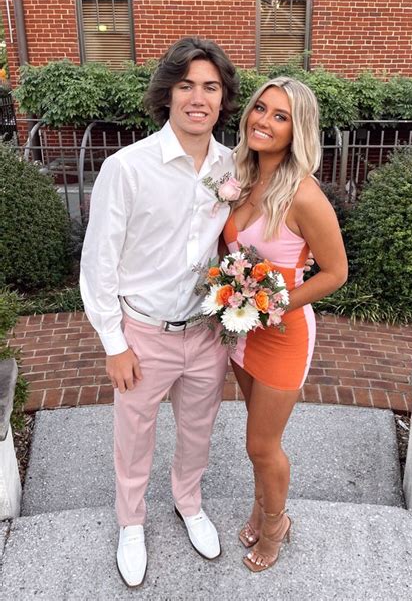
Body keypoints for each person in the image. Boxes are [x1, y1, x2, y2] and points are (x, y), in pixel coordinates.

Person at [80, 37, 240, 587]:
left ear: (222, 99)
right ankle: (131, 521)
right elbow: (98, 262)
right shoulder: (127, 168)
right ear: (167, 94)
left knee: (199, 429)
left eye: (211, 87)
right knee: (134, 435)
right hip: (143, 333)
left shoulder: (232, 167)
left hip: (205, 332)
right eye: (186, 85)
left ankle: (188, 502)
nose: (199, 98)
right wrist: (114, 343)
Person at [222, 77, 348, 572]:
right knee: (257, 441)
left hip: (282, 334)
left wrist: (271, 307)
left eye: (281, 116)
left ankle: (276, 524)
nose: (264, 121)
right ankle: (261, 508)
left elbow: (335, 273)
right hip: (240, 331)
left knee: (261, 444)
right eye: (261, 108)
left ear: (299, 131)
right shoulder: (238, 176)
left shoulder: (304, 196)